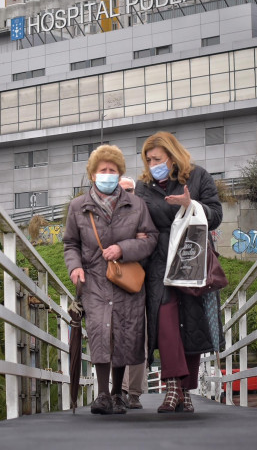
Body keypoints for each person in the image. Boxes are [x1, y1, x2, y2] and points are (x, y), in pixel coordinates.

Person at [64, 145, 157, 415]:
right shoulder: (78, 207)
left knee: (124, 335)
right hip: (93, 279)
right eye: (102, 170)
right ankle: (102, 394)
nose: (107, 174)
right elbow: (70, 243)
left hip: (125, 279)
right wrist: (74, 268)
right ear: (92, 174)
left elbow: (151, 239)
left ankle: (119, 393)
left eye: (112, 170)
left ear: (120, 174)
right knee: (100, 334)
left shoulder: (136, 204)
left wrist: (124, 248)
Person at [136, 131, 223, 413]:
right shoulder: (143, 187)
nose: (152, 164)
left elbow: (216, 214)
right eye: (148, 159)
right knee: (165, 320)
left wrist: (191, 205)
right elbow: (138, 221)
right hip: (159, 261)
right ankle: (173, 387)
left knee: (192, 321)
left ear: (172, 157)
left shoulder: (198, 177)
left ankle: (185, 391)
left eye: (157, 158)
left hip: (191, 257)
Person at [118, 175, 148, 410]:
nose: (127, 194)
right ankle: (117, 390)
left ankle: (133, 392)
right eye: (123, 190)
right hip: (112, 283)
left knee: (138, 338)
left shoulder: (143, 214)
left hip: (139, 283)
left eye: (130, 189)